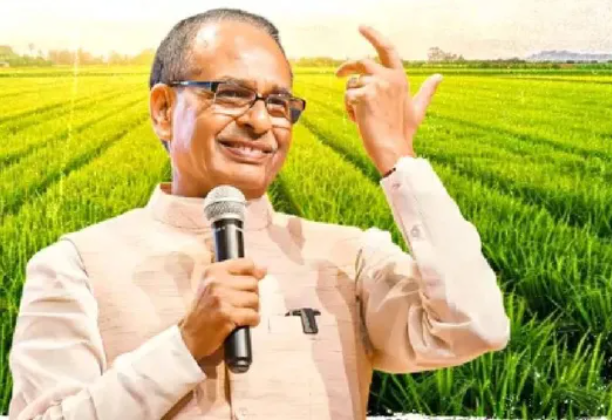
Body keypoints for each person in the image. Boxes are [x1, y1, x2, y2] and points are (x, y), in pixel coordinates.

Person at [7, 8, 510, 420]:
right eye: (230, 93)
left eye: (278, 103)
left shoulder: (349, 256)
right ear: (163, 110)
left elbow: (475, 326)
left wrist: (397, 156)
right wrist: (184, 345)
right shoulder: (75, 266)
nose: (258, 121)